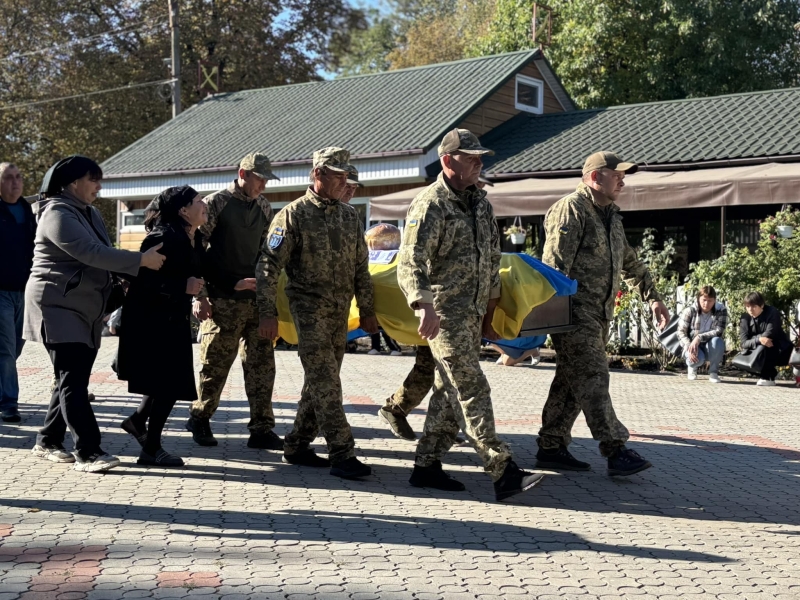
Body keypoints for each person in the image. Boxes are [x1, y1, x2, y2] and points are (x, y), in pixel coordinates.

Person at [397, 128, 543, 501]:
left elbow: (491, 259)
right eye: (471, 157)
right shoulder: (430, 204)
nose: (479, 162)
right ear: (447, 161)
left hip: (472, 313)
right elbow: (410, 260)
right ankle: (502, 468)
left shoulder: (480, 202)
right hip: (443, 315)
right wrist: (423, 305)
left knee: (448, 392)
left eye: (481, 157)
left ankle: (426, 466)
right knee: (472, 387)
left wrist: (490, 307)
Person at [25, 155, 166, 472]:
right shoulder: (56, 213)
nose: (99, 186)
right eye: (94, 179)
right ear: (74, 182)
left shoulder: (88, 212)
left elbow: (103, 252)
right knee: (73, 379)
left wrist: (126, 278)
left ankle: (48, 439)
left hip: (83, 307)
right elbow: (89, 252)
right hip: (56, 307)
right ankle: (88, 452)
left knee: (69, 378)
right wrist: (140, 260)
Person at [538, 151, 670, 477]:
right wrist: (545, 321)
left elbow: (631, 262)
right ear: (596, 177)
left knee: (571, 381)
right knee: (595, 376)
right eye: (617, 175)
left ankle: (551, 446)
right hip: (573, 312)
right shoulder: (571, 210)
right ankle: (615, 448)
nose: (623, 181)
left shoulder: (610, 215)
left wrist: (653, 298)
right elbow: (553, 268)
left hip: (600, 313)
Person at [256, 147, 378, 480]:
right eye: (337, 175)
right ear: (318, 174)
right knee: (326, 379)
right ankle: (342, 451)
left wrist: (368, 310)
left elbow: (361, 269)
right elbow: (268, 266)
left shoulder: (349, 216)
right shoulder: (293, 215)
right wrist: (266, 313)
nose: (343, 182)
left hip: (339, 311)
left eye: (345, 175)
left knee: (318, 381)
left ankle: (296, 445)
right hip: (308, 309)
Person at [187, 153, 283, 450]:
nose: (263, 185)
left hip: (254, 300)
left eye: (267, 180)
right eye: (259, 179)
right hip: (221, 300)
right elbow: (196, 249)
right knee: (214, 365)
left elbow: (268, 253)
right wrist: (200, 295)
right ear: (243, 173)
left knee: (262, 366)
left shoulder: (263, 206)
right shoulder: (216, 203)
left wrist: (268, 299)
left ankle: (262, 428)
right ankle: (200, 418)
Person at [117, 186, 207, 466]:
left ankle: (139, 424)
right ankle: (151, 448)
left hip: (173, 319)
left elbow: (205, 271)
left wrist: (234, 284)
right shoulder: (163, 236)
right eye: (198, 201)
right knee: (167, 385)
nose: (204, 204)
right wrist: (184, 287)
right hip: (151, 321)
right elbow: (141, 281)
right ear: (183, 210)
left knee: (167, 383)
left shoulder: (194, 236)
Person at [0, 163, 35, 423]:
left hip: (25, 290)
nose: (15, 182)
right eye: (8, 178)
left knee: (16, 347)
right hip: (0, 291)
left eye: (18, 177)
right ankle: (9, 403)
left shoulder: (27, 210)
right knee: (7, 350)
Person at [738, 291, 792, 386]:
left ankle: (768, 377)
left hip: (781, 351)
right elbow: (743, 342)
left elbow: (770, 334)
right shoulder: (745, 318)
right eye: (747, 306)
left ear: (762, 305)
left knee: (767, 342)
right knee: (742, 360)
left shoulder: (772, 312)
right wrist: (758, 339)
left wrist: (756, 339)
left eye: (754, 306)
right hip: (757, 350)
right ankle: (770, 374)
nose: (750, 310)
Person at [678, 286, 728, 383]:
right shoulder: (690, 311)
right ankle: (692, 368)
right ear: (698, 299)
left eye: (710, 301)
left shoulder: (721, 310)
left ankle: (713, 372)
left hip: (710, 344)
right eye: (704, 300)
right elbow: (681, 332)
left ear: (714, 300)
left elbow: (719, 331)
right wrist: (689, 346)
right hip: (691, 343)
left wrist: (699, 337)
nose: (706, 303)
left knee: (718, 341)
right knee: (698, 360)